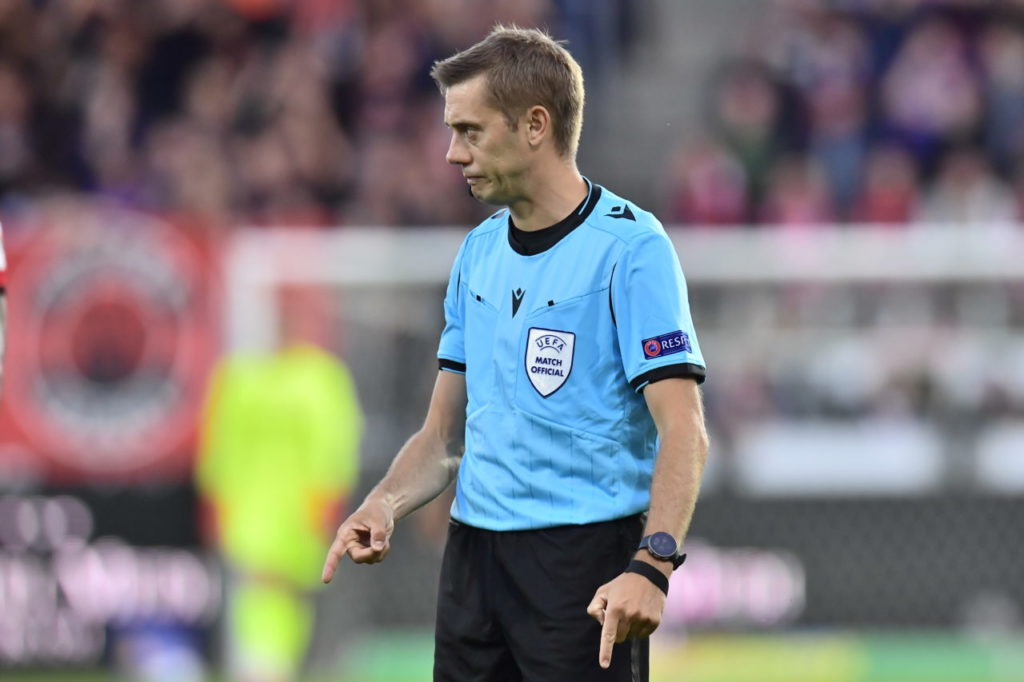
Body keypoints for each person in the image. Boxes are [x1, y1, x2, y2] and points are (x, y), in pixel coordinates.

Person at [322, 25, 709, 681]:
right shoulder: (477, 253)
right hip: (473, 565)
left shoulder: (631, 249)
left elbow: (685, 430)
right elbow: (443, 436)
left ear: (535, 125)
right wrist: (382, 505)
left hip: (580, 565)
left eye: (470, 131)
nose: (451, 153)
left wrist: (653, 565)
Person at [198, 288, 363, 682]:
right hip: (254, 513)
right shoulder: (242, 375)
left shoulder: (320, 376)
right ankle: (264, 668)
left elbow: (335, 444)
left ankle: (274, 666)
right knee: (259, 601)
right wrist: (217, 501)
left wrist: (328, 500)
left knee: (285, 602)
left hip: (298, 514)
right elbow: (220, 445)